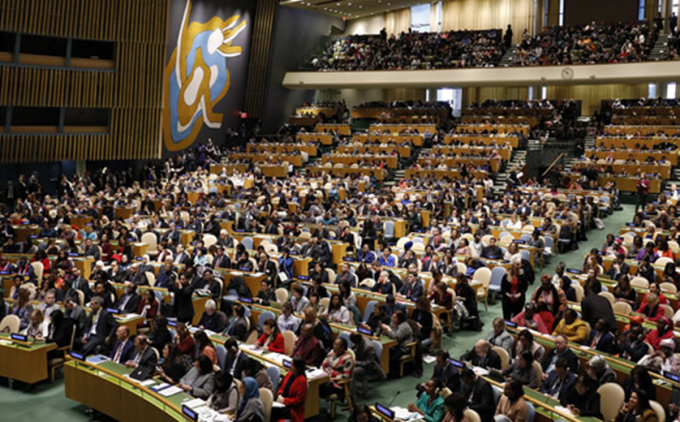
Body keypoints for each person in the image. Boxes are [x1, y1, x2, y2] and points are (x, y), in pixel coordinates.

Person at [349, 331, 386, 400]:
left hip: (370, 368)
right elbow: (355, 349)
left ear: (357, 340)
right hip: (362, 362)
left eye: (354, 342)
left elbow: (369, 363)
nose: (353, 344)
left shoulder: (368, 347)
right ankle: (346, 390)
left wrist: (355, 363)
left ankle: (352, 398)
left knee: (353, 372)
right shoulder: (359, 339)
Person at [271, 357, 308, 422]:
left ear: (297, 367)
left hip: (292, 409)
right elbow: (281, 387)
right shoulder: (289, 374)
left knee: (272, 411)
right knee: (270, 408)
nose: (290, 366)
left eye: (292, 364)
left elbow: (298, 400)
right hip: (281, 402)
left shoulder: (302, 381)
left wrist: (284, 401)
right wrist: (279, 395)